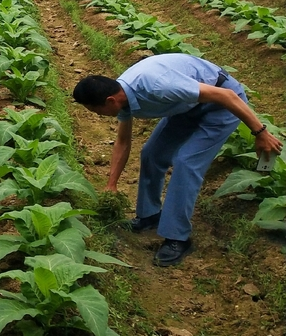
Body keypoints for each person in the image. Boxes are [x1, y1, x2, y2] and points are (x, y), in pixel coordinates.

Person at [72, 54, 282, 266]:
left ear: (110, 101)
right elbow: (123, 141)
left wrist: (260, 132)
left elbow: (227, 96)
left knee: (187, 162)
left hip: (222, 105)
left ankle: (177, 238)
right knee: (152, 153)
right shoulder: (121, 97)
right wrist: (111, 184)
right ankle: (149, 215)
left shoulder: (157, 86)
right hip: (187, 106)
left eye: (95, 110)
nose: (97, 115)